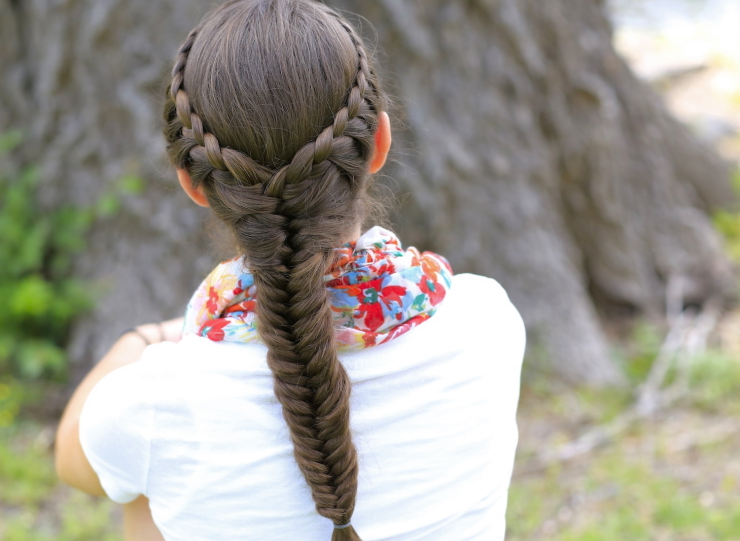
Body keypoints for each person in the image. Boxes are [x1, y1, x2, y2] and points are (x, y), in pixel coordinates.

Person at [55, 1, 526, 540]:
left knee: (141, 497)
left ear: (193, 184)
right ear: (379, 144)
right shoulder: (486, 320)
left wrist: (145, 339)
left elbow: (73, 461)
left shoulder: (154, 401)